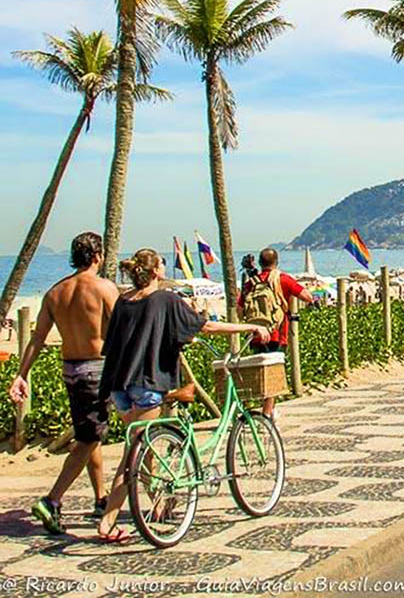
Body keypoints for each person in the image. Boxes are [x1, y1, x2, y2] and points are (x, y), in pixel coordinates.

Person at [95, 248, 267, 543]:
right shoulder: (165, 299)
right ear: (155, 272)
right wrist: (251, 325)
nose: (164, 268)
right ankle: (107, 523)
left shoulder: (124, 301)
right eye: (162, 264)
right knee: (131, 457)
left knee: (144, 453)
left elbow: (113, 341)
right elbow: (207, 325)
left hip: (118, 386)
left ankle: (160, 506)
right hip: (146, 383)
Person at [8, 233, 118, 535]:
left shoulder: (56, 293)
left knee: (88, 432)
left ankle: (100, 497)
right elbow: (124, 330)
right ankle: (52, 500)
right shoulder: (104, 288)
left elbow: (37, 338)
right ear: (97, 256)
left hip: (70, 369)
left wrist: (22, 374)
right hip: (96, 369)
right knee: (90, 438)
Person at [237, 248, 314, 420]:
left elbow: (240, 310)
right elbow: (307, 296)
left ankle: (268, 410)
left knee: (261, 373)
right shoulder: (282, 279)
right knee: (274, 373)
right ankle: (266, 415)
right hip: (277, 333)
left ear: (260, 262)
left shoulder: (251, 283)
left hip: (256, 334)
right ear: (276, 261)